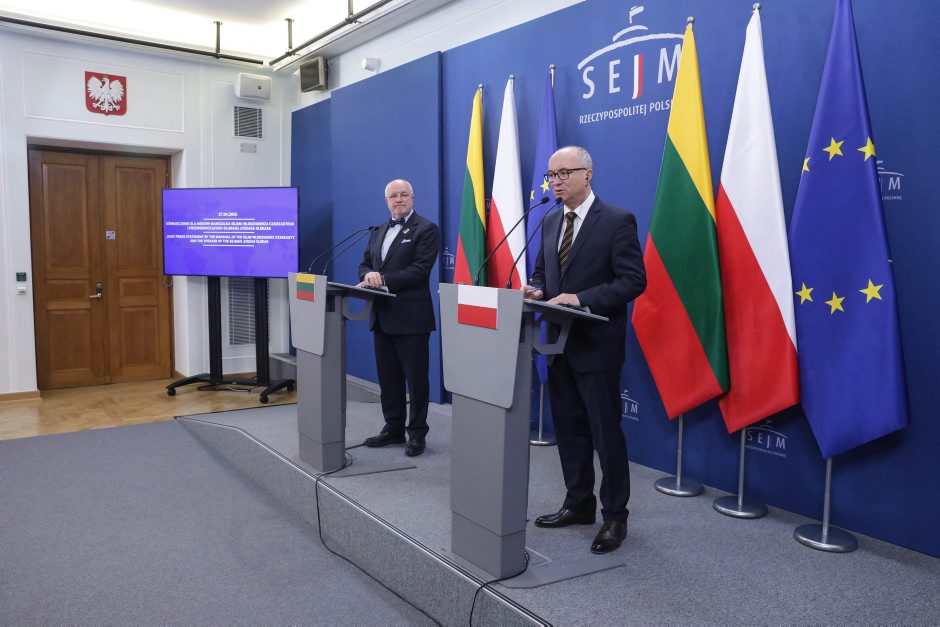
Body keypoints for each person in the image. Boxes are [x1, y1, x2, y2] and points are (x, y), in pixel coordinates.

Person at [524, 146, 646, 554]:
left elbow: (633, 280)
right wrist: (536, 290)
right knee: (569, 430)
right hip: (557, 343)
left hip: (597, 346)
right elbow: (543, 273)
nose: (555, 181)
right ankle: (578, 504)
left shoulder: (616, 220)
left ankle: (615, 517)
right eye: (551, 175)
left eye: (564, 173)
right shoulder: (550, 219)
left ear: (587, 174)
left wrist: (581, 299)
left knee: (605, 434)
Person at [357, 179, 440, 457]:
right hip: (382, 316)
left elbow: (420, 270)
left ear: (413, 198)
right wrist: (368, 274)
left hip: (412, 317)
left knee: (416, 381)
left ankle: (417, 434)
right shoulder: (377, 231)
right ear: (387, 201)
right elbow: (364, 264)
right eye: (393, 196)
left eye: (404, 195)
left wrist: (381, 279)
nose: (399, 199)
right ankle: (393, 428)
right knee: (388, 380)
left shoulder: (426, 229)